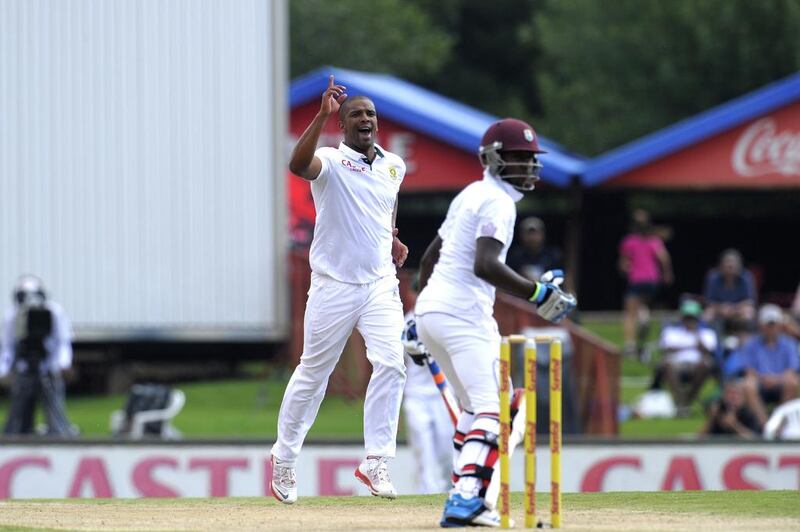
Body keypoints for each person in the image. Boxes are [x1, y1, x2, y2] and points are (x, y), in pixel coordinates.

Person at [414, 118, 577, 527]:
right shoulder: (499, 202)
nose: (527, 166)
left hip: (434, 311)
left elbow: (431, 255)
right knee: (503, 409)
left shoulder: (470, 194)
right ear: (492, 159)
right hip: (463, 316)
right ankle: (466, 499)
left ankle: (471, 498)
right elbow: (485, 264)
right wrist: (538, 293)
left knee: (476, 410)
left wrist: (418, 315)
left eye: (530, 159)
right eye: (518, 158)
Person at [269, 76, 409, 504]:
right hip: (333, 286)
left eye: (369, 114)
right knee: (314, 375)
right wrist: (321, 114)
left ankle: (376, 460)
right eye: (355, 115)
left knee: (392, 364)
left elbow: (386, 205)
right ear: (344, 125)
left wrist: (392, 237)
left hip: (380, 283)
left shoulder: (393, 165)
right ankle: (285, 460)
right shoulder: (328, 160)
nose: (364, 119)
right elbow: (297, 167)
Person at [0, 275, 76, 437]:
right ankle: (17, 436)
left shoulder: (53, 312)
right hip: (24, 368)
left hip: (48, 367)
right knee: (19, 413)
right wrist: (4, 370)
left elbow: (62, 341)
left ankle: (60, 436)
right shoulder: (12, 316)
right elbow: (8, 347)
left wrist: (62, 364)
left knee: (54, 409)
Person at [401, 281, 454, 495]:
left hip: (443, 395)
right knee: (423, 451)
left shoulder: (443, 320)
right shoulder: (406, 324)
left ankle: (451, 492)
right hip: (416, 396)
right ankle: (426, 495)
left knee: (446, 451)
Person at [618, 209, 673, 359]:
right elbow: (664, 259)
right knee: (643, 307)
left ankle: (630, 346)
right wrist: (667, 274)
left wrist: (627, 269)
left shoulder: (628, 241)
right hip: (652, 281)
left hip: (636, 280)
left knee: (630, 313)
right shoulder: (655, 241)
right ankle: (644, 319)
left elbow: (623, 264)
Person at [738, 304, 799, 428]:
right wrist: (763, 378)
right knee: (748, 384)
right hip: (760, 382)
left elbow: (792, 370)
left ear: (780, 326)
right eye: (768, 324)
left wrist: (775, 379)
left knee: (792, 382)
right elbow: (749, 370)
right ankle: (765, 425)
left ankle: (779, 424)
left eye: (774, 324)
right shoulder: (751, 344)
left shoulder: (789, 344)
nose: (771, 328)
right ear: (761, 326)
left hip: (781, 381)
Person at [655, 299, 716, 415]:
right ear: (682, 318)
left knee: (707, 363)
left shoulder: (706, 333)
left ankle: (685, 402)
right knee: (667, 362)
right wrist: (691, 347)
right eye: (687, 318)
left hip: (697, 365)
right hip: (676, 364)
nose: (689, 321)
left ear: (698, 318)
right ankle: (682, 403)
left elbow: (708, 351)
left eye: (692, 318)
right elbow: (667, 349)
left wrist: (695, 335)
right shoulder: (671, 332)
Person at [702, 249, 756, 334]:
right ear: (721, 266)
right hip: (719, 309)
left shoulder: (746, 277)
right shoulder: (713, 277)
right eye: (727, 263)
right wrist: (721, 308)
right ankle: (709, 341)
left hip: (738, 309)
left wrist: (733, 309)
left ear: (739, 266)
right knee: (707, 314)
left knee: (748, 312)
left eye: (733, 264)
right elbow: (709, 301)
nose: (730, 266)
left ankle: (745, 340)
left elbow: (749, 301)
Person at [505, 216, 563, 283]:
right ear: (521, 235)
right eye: (528, 233)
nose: (532, 238)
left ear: (542, 234)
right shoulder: (514, 256)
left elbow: (564, 277)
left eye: (535, 233)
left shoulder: (553, 256)